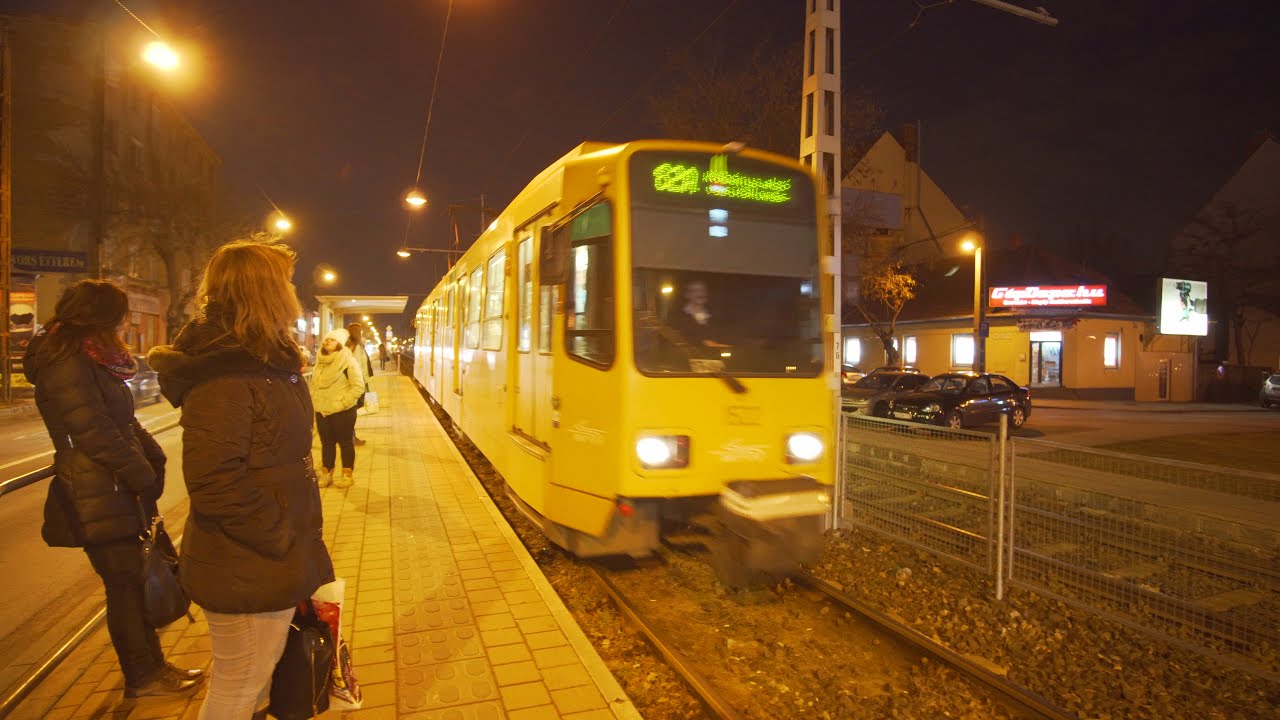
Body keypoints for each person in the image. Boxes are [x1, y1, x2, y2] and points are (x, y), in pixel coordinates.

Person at [148, 241, 334, 720]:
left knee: (252, 682)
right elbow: (214, 482)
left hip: (259, 558)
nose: (293, 293)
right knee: (238, 686)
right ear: (266, 292)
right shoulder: (229, 374)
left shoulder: (259, 362)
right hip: (248, 560)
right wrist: (280, 536)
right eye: (286, 283)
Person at [23, 279, 203, 699]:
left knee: (133, 578)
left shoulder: (89, 356)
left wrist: (150, 454)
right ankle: (143, 676)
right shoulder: (65, 360)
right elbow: (92, 430)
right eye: (120, 315)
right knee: (124, 584)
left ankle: (154, 668)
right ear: (100, 317)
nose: (125, 323)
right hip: (96, 489)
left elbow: (118, 419)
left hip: (113, 485)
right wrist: (138, 470)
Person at [310, 327, 364, 489]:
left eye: (332, 339)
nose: (327, 341)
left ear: (340, 344)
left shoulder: (349, 361)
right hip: (322, 411)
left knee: (345, 443)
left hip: (343, 412)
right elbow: (315, 385)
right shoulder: (320, 362)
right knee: (326, 444)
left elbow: (358, 387)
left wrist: (342, 404)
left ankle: (347, 476)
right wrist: (316, 402)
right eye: (326, 339)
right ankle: (327, 475)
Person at [665, 279, 729, 350]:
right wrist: (702, 343)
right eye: (695, 290)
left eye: (703, 290)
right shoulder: (676, 318)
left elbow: (726, 343)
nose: (700, 293)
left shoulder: (715, 319)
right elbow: (671, 344)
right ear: (687, 294)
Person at [345, 322, 373, 446]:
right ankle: (350, 438)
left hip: (358, 382)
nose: (361, 333)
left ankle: (350, 437)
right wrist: (361, 383)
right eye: (360, 331)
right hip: (355, 383)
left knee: (351, 412)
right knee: (351, 413)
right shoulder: (354, 347)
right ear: (356, 332)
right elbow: (356, 366)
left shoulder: (357, 346)